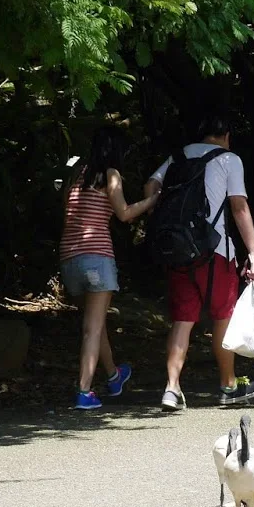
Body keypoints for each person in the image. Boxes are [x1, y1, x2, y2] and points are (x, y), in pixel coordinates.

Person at [143, 113, 254, 410]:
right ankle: (228, 385)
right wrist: (253, 251)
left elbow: (150, 185)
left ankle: (171, 389)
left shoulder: (179, 156)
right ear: (225, 135)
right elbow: (239, 206)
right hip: (215, 251)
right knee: (223, 316)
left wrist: (157, 215)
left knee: (183, 320)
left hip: (180, 249)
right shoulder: (229, 159)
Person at [59, 126, 156, 410]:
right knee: (92, 329)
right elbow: (124, 214)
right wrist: (153, 200)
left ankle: (114, 376)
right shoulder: (110, 175)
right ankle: (83, 391)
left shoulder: (77, 174)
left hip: (69, 258)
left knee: (95, 324)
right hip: (96, 257)